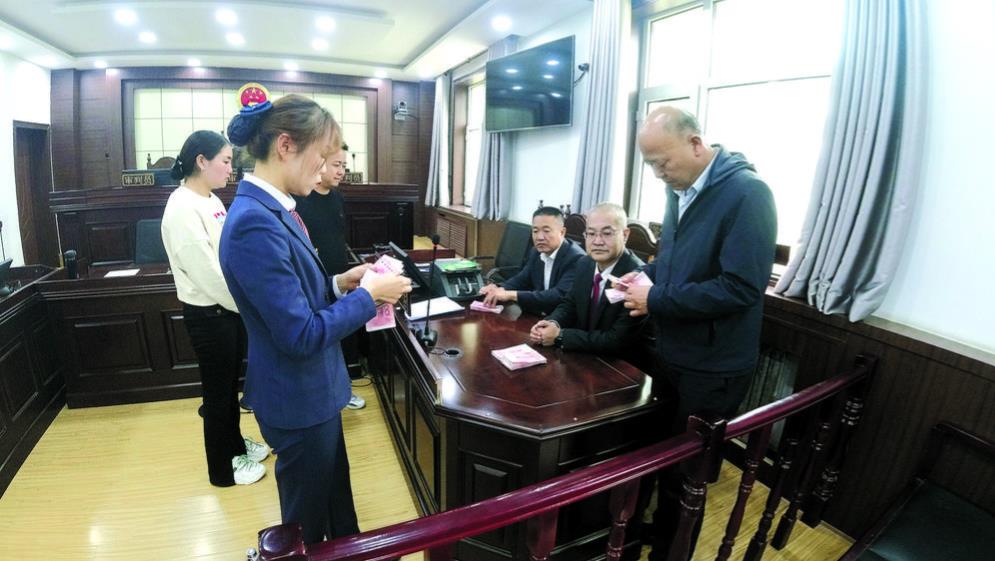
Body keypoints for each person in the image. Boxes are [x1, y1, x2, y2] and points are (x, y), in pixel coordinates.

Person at [219, 87, 411, 543]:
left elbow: (295, 296)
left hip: (313, 393)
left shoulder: (276, 209)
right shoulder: (254, 222)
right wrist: (369, 297)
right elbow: (300, 333)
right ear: (286, 145)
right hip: (297, 397)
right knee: (305, 526)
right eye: (322, 156)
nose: (326, 169)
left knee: (336, 505)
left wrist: (340, 283)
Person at [620, 106, 777, 559]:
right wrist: (644, 276)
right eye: (650, 165)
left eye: (662, 162)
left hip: (713, 364)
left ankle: (674, 553)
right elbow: (676, 261)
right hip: (672, 350)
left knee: (686, 475)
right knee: (657, 458)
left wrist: (656, 299)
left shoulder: (748, 193)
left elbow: (741, 287)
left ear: (694, 143)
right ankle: (651, 538)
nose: (658, 174)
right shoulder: (680, 188)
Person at [160, 130, 269, 487]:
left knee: (228, 389)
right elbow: (209, 276)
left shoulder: (211, 200)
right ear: (201, 161)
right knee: (218, 394)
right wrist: (250, 307)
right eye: (225, 161)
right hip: (210, 314)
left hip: (228, 311)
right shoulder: (182, 207)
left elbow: (228, 255)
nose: (230, 169)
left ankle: (235, 446)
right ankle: (222, 470)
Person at [293, 142, 366, 410]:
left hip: (341, 277)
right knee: (320, 337)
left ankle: (343, 390)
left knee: (343, 336)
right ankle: (323, 394)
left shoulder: (337, 197)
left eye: (344, 166)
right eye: (336, 165)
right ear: (319, 163)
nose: (341, 171)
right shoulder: (300, 199)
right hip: (314, 282)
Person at [529, 202, 645, 354]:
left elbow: (616, 340)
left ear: (625, 235)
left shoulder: (637, 277)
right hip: (582, 353)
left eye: (607, 233)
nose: (597, 241)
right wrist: (551, 323)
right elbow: (570, 303)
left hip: (617, 361)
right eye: (591, 233)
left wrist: (560, 336)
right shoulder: (584, 263)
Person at [478, 206, 585, 315]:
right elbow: (522, 279)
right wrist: (498, 288)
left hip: (561, 319)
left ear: (562, 232)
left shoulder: (577, 259)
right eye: (535, 231)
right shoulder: (536, 252)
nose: (540, 237)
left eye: (546, 231)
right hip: (538, 314)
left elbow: (559, 295)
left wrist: (511, 295)